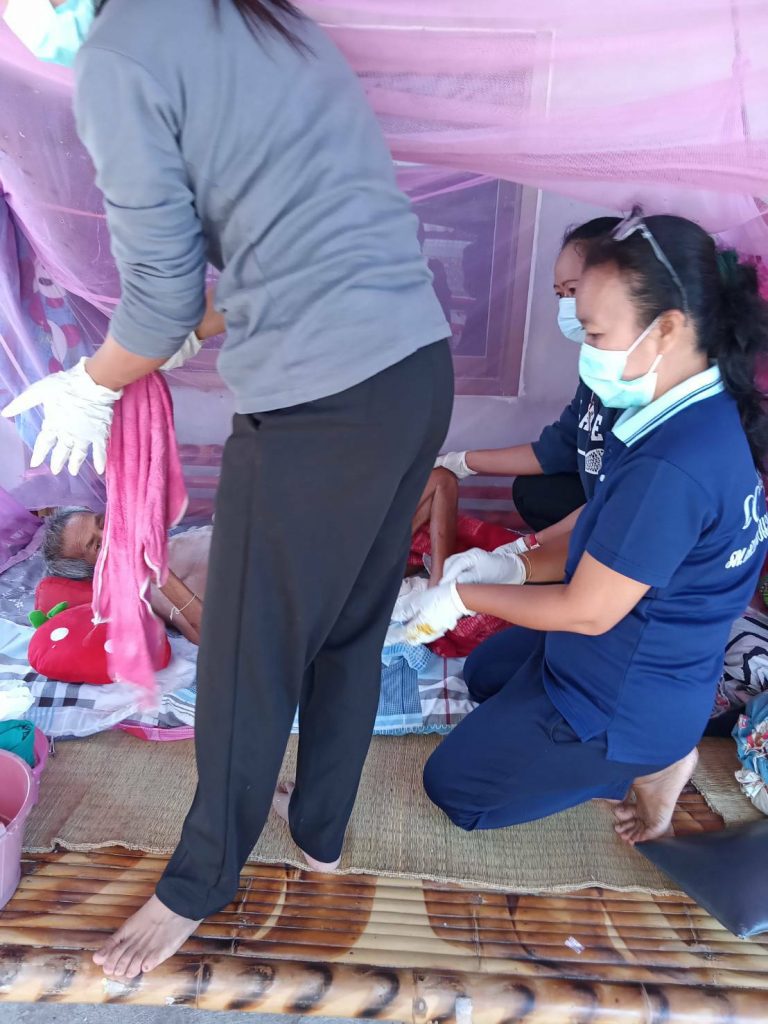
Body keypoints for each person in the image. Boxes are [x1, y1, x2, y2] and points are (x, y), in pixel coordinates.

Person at [3, 0, 453, 978]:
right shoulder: (259, 20)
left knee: (249, 655)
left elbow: (159, 297)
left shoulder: (122, 54)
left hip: (321, 403)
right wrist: (179, 341)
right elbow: (291, 246)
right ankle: (321, 829)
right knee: (350, 626)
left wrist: (94, 381)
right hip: (415, 370)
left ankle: (199, 881)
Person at [396, 212, 768, 846]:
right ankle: (635, 741)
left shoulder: (672, 465)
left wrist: (461, 595)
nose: (586, 348)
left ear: (667, 328)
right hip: (638, 647)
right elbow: (597, 522)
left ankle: (652, 762)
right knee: (484, 674)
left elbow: (588, 611)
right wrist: (511, 562)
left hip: (628, 694)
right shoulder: (675, 410)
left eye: (595, 333)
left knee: (455, 790)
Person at [42, 465, 462, 646]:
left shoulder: (166, 539)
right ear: (92, 569)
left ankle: (435, 580)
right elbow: (205, 636)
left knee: (440, 480)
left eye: (101, 522)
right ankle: (426, 582)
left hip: (316, 548)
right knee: (434, 487)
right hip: (316, 582)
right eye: (97, 544)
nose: (111, 533)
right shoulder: (147, 587)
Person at [437, 217, 621, 544]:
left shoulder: (643, 390)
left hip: (626, 520)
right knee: (534, 490)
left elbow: (617, 500)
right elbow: (558, 447)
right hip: (607, 500)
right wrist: (461, 462)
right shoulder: (596, 369)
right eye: (560, 294)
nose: (567, 306)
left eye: (574, 290)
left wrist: (525, 554)